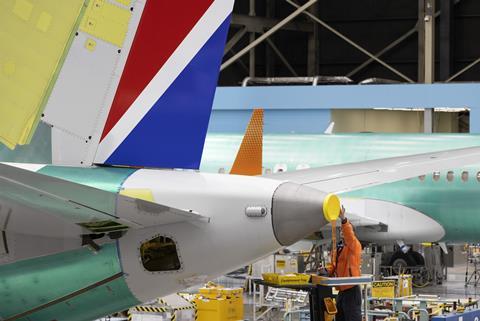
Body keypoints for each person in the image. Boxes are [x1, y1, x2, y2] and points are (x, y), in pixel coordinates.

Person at [328, 205, 362, 321]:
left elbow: (349, 235)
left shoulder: (354, 245)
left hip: (352, 290)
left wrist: (343, 219)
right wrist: (325, 272)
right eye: (341, 229)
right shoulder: (339, 248)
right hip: (342, 291)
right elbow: (334, 265)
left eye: (345, 229)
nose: (342, 231)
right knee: (340, 318)